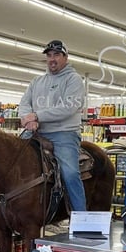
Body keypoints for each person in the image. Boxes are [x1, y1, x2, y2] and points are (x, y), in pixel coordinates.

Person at [18, 39, 87, 212]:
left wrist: (38, 115)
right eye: (49, 55)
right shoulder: (36, 82)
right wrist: (28, 119)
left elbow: (68, 108)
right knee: (10, 160)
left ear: (65, 57)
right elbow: (24, 103)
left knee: (70, 173)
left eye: (57, 54)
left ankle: (81, 217)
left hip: (63, 134)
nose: (52, 59)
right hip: (36, 132)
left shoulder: (74, 80)